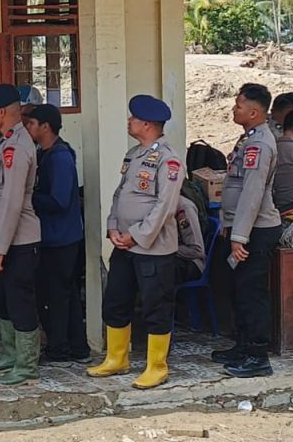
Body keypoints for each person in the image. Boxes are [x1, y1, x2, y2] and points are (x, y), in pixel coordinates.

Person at [88, 95, 183, 390]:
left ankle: (157, 366)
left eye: (133, 118)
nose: (129, 122)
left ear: (147, 124)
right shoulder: (133, 155)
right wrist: (113, 227)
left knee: (156, 306)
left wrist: (137, 235)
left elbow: (165, 206)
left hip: (153, 249)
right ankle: (117, 358)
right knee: (116, 300)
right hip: (124, 246)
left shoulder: (168, 159)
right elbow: (120, 195)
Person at [214, 83, 282, 379]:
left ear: (254, 112)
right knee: (238, 290)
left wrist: (239, 237)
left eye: (239, 105)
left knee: (252, 293)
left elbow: (252, 194)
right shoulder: (249, 139)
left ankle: (257, 356)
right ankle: (242, 346)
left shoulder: (260, 145)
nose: (234, 109)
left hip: (256, 230)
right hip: (241, 228)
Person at [0, 83, 42, 386]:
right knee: (2, 298)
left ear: (2, 112)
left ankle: (27, 364)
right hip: (3, 238)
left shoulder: (17, 147)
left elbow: (12, 201)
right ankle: (9, 353)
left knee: (20, 300)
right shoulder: (5, 142)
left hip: (20, 240)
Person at [24, 104, 90, 365]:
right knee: (64, 294)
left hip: (61, 238)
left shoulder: (60, 157)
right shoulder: (45, 153)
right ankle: (77, 347)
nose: (28, 128)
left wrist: (28, 196)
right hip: (53, 236)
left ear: (45, 127)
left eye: (31, 124)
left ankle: (59, 349)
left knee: (57, 296)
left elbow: (59, 201)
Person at [175, 196, 205, 284]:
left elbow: (197, 250)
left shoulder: (183, 207)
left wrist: (167, 248)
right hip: (172, 255)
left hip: (191, 262)